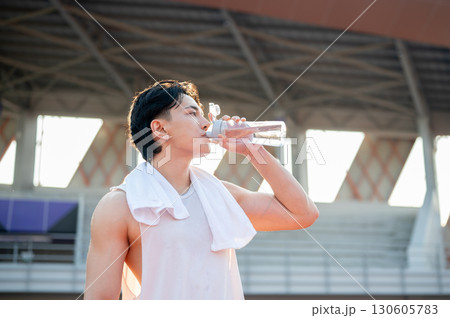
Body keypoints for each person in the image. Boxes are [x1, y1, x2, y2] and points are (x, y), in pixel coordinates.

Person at [83, 80, 319, 300]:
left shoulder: (220, 194)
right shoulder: (120, 205)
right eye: (191, 113)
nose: (206, 123)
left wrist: (253, 149)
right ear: (160, 129)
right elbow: (99, 304)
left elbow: (303, 214)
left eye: (203, 114)